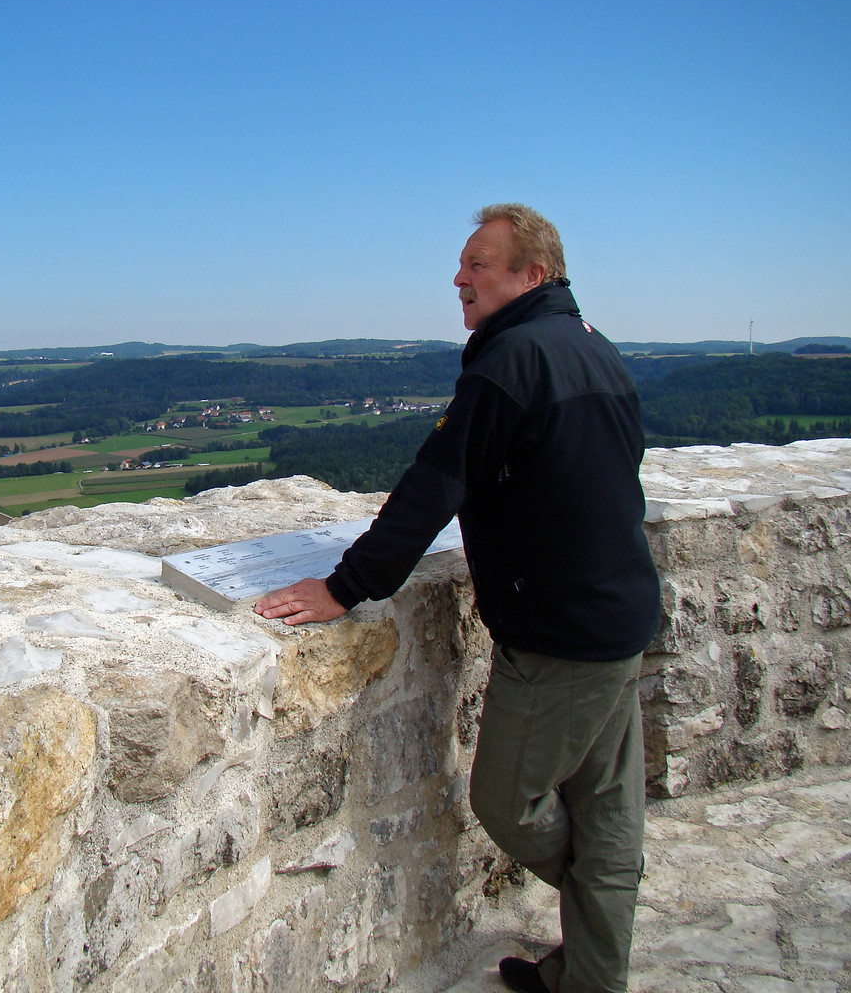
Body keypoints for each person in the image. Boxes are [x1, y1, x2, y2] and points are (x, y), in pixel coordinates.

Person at [253, 204, 660, 993]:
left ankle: (599, 905)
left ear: (531, 275)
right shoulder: (595, 350)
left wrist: (347, 586)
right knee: (607, 812)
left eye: (478, 263)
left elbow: (434, 484)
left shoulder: (512, 359)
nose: (458, 277)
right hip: (620, 613)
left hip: (561, 634)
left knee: (509, 804)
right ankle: (591, 975)